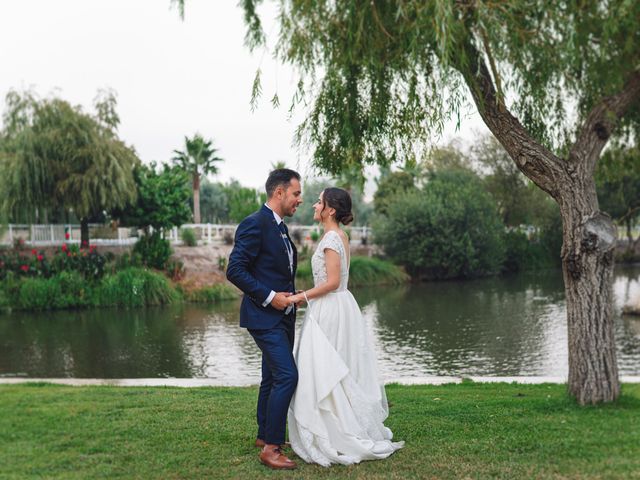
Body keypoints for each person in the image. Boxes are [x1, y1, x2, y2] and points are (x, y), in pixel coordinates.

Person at [286, 187, 404, 466]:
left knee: (327, 367)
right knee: (336, 366)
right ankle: (337, 423)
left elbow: (331, 282)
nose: (314, 205)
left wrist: (299, 298)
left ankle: (335, 430)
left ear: (330, 210)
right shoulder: (340, 235)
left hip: (330, 307)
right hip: (340, 305)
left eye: (318, 201)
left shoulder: (330, 238)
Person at [226, 168, 302, 470]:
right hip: (263, 316)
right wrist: (272, 296)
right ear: (279, 192)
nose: (299, 199)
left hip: (284, 317)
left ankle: (263, 435)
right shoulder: (254, 224)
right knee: (288, 375)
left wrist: (292, 299)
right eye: (296, 193)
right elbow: (235, 270)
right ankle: (271, 449)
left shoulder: (281, 227)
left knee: (272, 377)